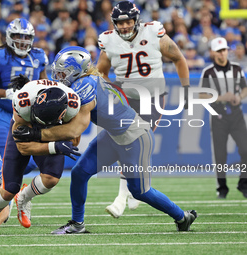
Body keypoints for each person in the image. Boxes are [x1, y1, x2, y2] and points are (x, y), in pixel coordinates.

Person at [12, 46, 197, 233]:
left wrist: (36, 134)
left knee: (140, 191)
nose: (58, 77)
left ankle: (182, 217)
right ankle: (77, 224)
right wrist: (31, 87)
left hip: (135, 138)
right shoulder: (83, 82)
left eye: (63, 73)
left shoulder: (85, 85)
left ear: (77, 72)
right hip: (113, 136)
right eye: (57, 72)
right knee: (79, 174)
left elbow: (77, 128)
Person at [96, 1, 190, 218]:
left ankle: (121, 198)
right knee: (126, 144)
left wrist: (185, 90)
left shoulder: (153, 32)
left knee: (131, 144)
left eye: (128, 21)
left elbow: (178, 58)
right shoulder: (108, 40)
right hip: (126, 100)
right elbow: (100, 72)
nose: (125, 26)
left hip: (152, 100)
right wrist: (112, 91)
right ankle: (129, 191)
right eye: (120, 22)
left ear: (136, 20)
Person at [0, 76, 81, 236]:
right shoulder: (24, 102)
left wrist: (58, 136)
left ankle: (24, 197)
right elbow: (23, 148)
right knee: (9, 189)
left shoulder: (73, 103)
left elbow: (74, 137)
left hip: (54, 129)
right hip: (28, 125)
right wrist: (54, 145)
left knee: (51, 178)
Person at [0, 18, 47, 170]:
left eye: (26, 37)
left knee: (29, 165)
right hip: (2, 113)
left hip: (28, 115)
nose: (22, 41)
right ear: (9, 37)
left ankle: (14, 190)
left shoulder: (38, 56)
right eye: (18, 36)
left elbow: (45, 85)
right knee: (3, 164)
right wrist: (7, 92)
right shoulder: (0, 56)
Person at [199, 37, 247, 199]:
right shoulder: (208, 72)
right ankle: (222, 187)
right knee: (220, 154)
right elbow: (202, 95)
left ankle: (243, 182)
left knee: (246, 149)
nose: (222, 54)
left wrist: (239, 97)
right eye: (218, 51)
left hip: (236, 114)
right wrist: (221, 97)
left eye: (224, 50)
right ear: (213, 53)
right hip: (218, 115)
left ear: (228, 50)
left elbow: (244, 88)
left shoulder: (236, 68)